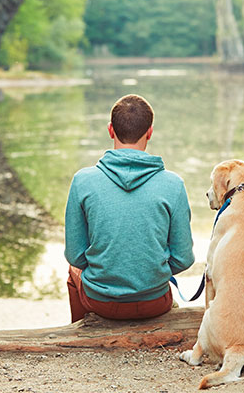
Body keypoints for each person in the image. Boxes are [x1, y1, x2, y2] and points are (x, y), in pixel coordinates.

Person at [64, 94, 195, 323]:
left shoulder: (82, 181)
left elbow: (75, 255)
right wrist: (151, 272)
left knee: (72, 273)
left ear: (110, 130)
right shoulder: (173, 184)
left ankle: (81, 331)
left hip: (100, 301)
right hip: (154, 302)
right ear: (150, 132)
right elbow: (183, 259)